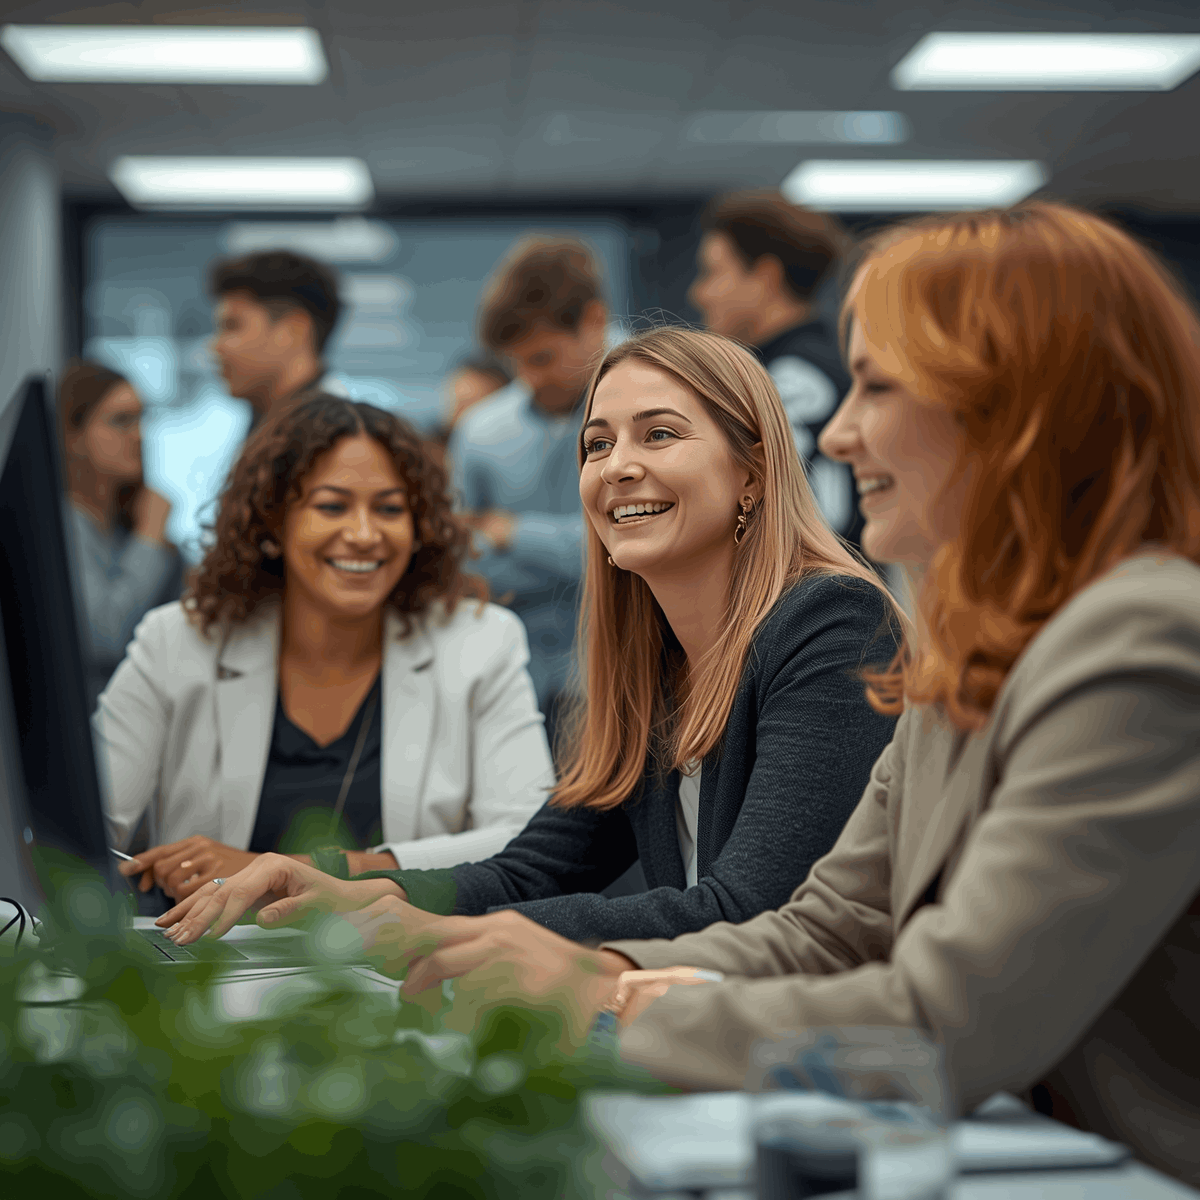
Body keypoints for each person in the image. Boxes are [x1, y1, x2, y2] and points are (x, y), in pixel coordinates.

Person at [288, 205, 1200, 1186]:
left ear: (1021, 407)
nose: (843, 432)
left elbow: (946, 1016)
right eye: (598, 442)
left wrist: (607, 1001)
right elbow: (825, 924)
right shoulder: (966, 659)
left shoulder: (1139, 636)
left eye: (879, 387)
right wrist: (588, 968)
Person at [158, 327, 900, 955]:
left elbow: (751, 910)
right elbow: (527, 874)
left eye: (660, 434)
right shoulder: (656, 662)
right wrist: (331, 884)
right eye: (597, 443)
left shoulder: (832, 624)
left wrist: (429, 931)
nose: (618, 466)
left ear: (755, 469)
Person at [99, 395, 554, 904]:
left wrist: (310, 871)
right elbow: (77, 833)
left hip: (401, 962)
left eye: (388, 509)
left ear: (419, 526)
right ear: (272, 524)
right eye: (331, 506)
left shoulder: (480, 642)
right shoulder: (177, 642)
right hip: (205, 963)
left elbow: (529, 842)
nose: (363, 535)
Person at [447, 237, 609, 747]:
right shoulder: (480, 432)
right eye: (518, 363)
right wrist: (577, 550)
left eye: (543, 357)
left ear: (594, 321)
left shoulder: (669, 405)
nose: (530, 379)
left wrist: (513, 534)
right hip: (515, 683)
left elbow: (652, 550)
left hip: (636, 682)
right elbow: (462, 562)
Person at [689, 191, 862, 547]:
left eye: (713, 272)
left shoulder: (797, 376)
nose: (698, 293)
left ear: (765, 277)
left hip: (818, 595)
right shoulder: (810, 360)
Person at [59, 360, 184, 712]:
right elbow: (105, 637)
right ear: (74, 438)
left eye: (141, 419)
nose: (139, 434)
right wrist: (149, 538)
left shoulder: (127, 524)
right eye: (120, 421)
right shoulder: (65, 525)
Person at [210, 250, 346, 428]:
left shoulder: (337, 438)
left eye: (232, 326)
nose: (216, 346)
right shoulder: (272, 423)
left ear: (293, 330)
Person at [425, 353, 513, 473]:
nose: (459, 415)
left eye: (471, 406)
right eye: (458, 402)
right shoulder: (425, 452)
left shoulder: (505, 459)